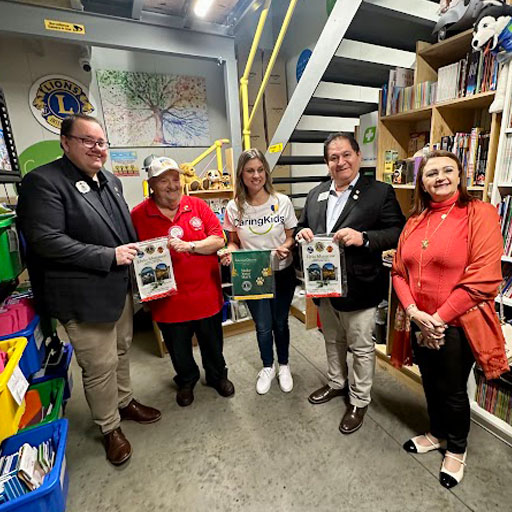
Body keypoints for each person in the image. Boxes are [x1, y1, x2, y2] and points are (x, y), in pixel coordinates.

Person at [17, 114, 161, 466]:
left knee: (122, 351)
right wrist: (108, 256)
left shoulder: (109, 180)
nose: (98, 149)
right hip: (82, 297)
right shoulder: (44, 182)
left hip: (118, 289)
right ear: (65, 142)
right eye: (89, 141)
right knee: (99, 364)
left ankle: (125, 403)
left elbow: (121, 230)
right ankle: (109, 427)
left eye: (102, 142)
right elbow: (46, 241)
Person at [391, 150, 509, 488]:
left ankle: (457, 448)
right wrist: (414, 312)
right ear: (422, 183)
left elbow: (484, 278)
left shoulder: (480, 213)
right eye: (431, 173)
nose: (439, 177)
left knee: (453, 390)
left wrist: (438, 318)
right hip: (419, 319)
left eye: (447, 170)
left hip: (458, 324)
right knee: (429, 381)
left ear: (460, 176)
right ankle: (437, 433)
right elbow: (399, 271)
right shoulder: (415, 219)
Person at [295, 132, 405, 434]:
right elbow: (303, 226)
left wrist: (365, 238)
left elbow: (399, 230)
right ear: (327, 163)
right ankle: (336, 383)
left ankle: (359, 400)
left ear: (357, 156)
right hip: (324, 287)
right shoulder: (316, 193)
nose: (340, 162)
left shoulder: (379, 192)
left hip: (360, 286)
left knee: (360, 347)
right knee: (332, 341)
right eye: (333, 157)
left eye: (346, 155)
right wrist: (300, 235)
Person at [131, 156, 234, 408]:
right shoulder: (138, 215)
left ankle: (216, 375)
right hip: (168, 300)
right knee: (178, 347)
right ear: (151, 184)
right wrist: (140, 295)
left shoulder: (197, 205)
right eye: (163, 181)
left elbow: (218, 239)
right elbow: (132, 254)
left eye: (175, 179)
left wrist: (191, 246)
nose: (172, 186)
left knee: (212, 341)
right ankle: (187, 380)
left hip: (205, 295)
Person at [220, 149, 298, 394]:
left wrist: (285, 247)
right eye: (250, 170)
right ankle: (267, 366)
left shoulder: (281, 202)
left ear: (266, 171)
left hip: (281, 273)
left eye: (260, 170)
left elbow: (290, 237)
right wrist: (229, 251)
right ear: (241, 174)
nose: (256, 175)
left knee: (280, 323)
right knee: (263, 325)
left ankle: (283, 364)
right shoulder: (234, 208)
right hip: (252, 276)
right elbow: (233, 241)